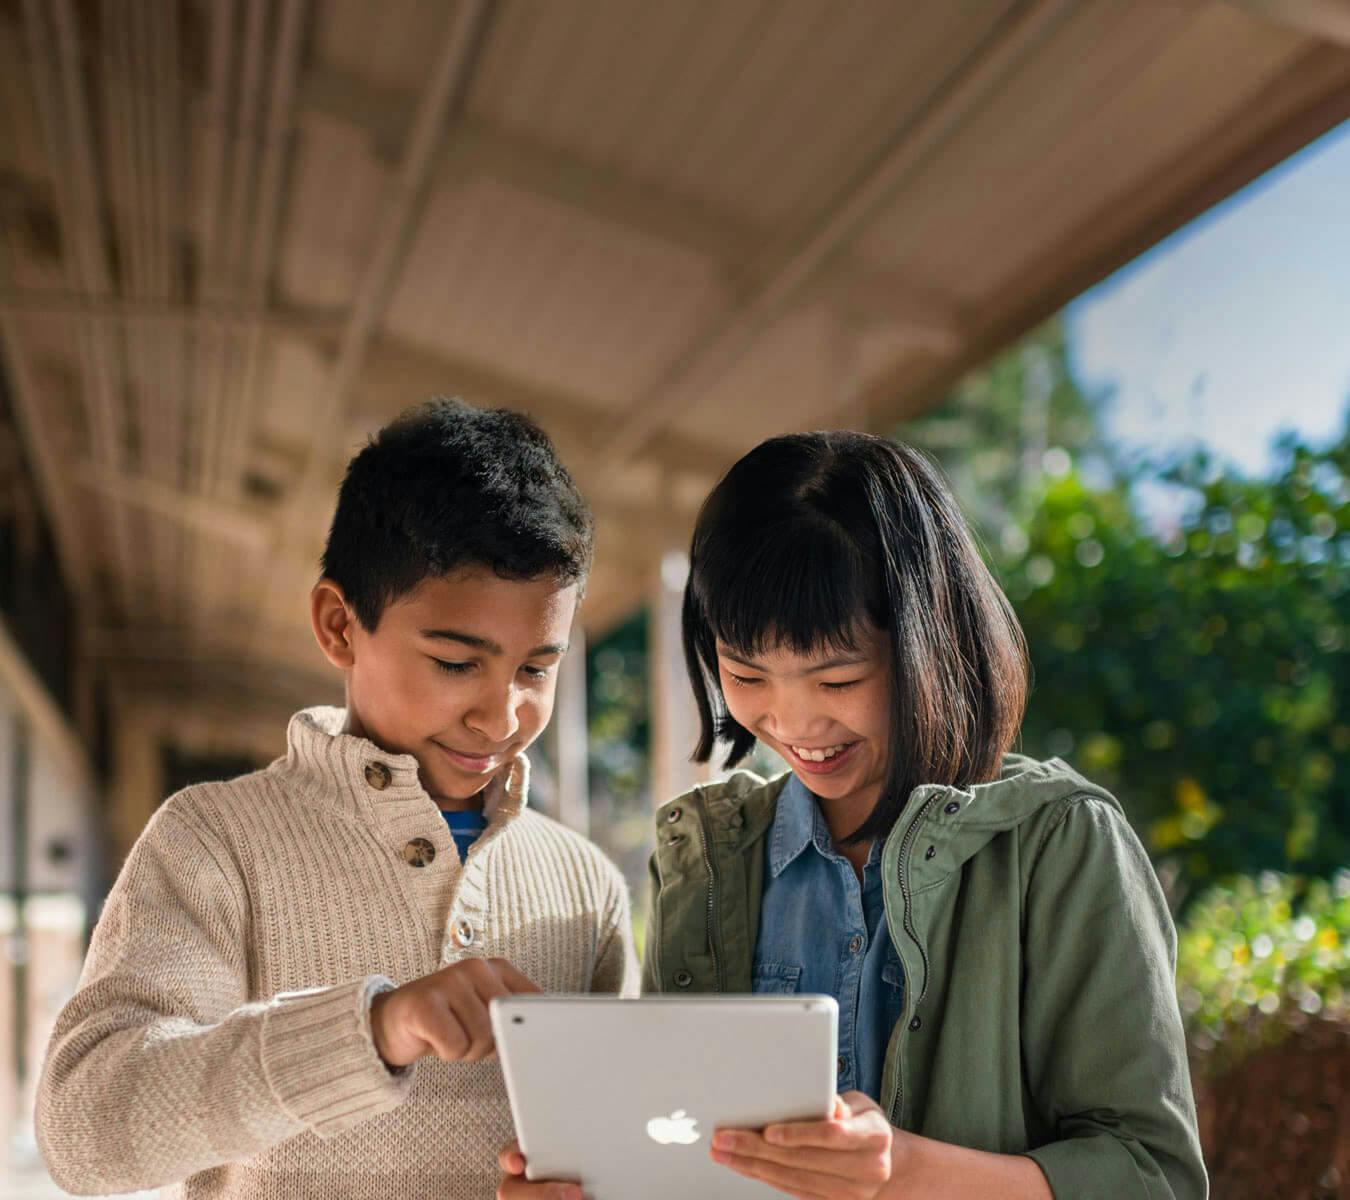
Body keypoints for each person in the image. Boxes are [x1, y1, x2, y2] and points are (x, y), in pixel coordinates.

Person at [500, 430, 1206, 1200]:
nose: (794, 723)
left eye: (836, 679)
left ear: (929, 645)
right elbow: (689, 1159)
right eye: (745, 673)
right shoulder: (702, 856)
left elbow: (1153, 1176)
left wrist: (902, 1173)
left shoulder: (1059, 844)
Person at [36, 399, 636, 1200]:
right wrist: (371, 1031)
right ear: (339, 626)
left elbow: (619, 1143)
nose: (502, 716)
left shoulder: (585, 886)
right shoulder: (215, 841)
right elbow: (85, 1132)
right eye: (458, 663)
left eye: (535, 669)